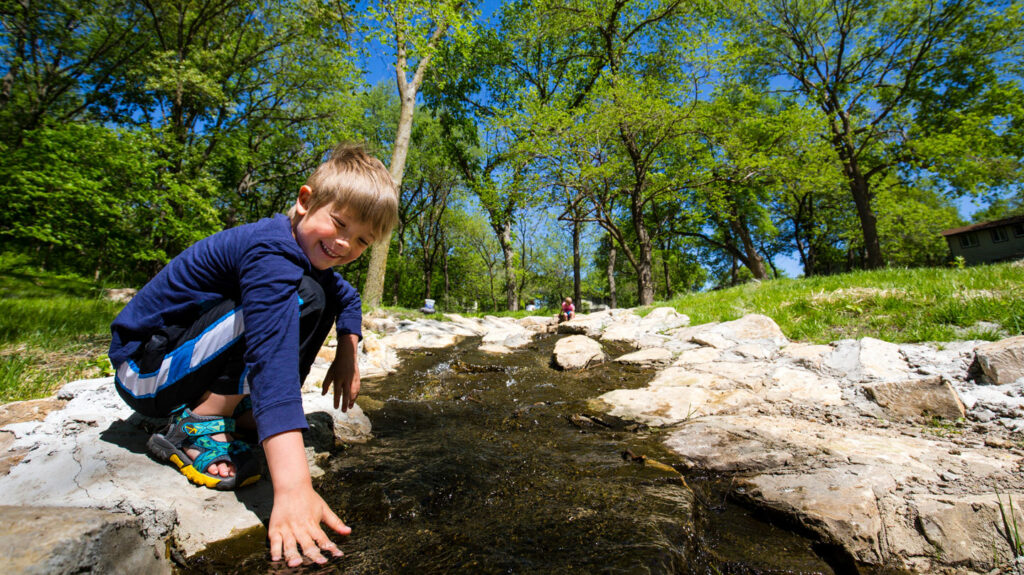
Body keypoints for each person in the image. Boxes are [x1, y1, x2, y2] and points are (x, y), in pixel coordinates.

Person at [107, 143, 397, 567]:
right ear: (304, 201)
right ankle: (197, 423)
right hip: (145, 370)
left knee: (317, 291)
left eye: (360, 241)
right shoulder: (269, 250)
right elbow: (270, 361)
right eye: (338, 224)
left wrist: (348, 353)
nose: (343, 243)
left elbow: (347, 296)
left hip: (181, 359)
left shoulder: (303, 253)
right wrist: (294, 488)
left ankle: (243, 419)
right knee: (298, 296)